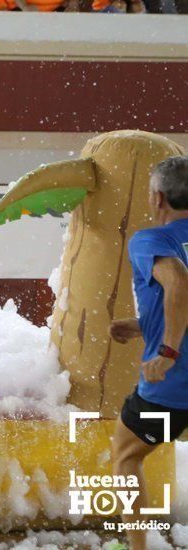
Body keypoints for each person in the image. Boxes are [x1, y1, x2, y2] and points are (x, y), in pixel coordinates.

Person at [110, 156, 188, 550]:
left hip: (173, 387)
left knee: (126, 454)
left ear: (158, 199)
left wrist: (168, 351)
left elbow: (178, 283)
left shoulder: (152, 240)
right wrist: (145, 325)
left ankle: (138, 548)